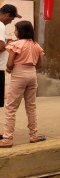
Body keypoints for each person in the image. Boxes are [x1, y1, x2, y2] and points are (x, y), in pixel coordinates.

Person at [0, 20, 45, 148]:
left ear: (20, 31)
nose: (14, 32)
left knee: (11, 107)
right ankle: (33, 135)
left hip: (19, 75)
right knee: (31, 106)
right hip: (32, 75)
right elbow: (39, 65)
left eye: (16, 29)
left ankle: (7, 139)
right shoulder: (36, 45)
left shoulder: (16, 44)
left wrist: (9, 69)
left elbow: (9, 64)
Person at [0, 4, 22, 108]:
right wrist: (10, 44)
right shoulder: (1, 26)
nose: (11, 22)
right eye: (12, 19)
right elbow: (0, 47)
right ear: (7, 15)